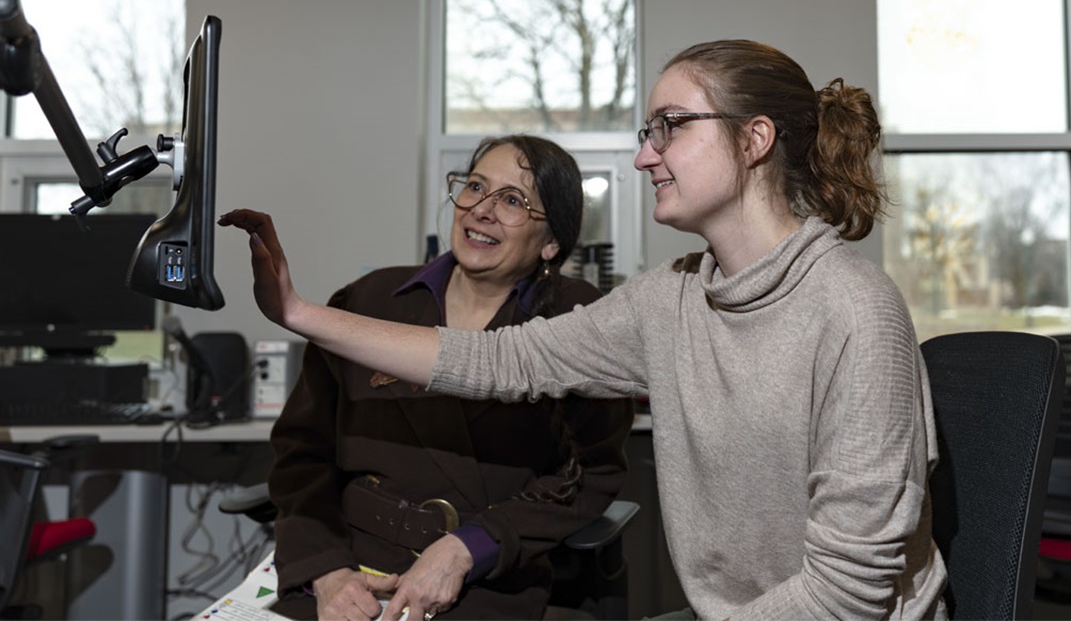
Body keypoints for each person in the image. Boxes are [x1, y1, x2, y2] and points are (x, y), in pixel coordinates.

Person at [223, 39, 949, 620]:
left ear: (755, 138)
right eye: (647, 131)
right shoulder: (671, 298)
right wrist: (297, 313)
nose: (643, 155)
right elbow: (501, 362)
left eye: (670, 127)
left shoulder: (855, 310)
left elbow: (849, 594)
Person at [262, 134, 634, 621]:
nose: (482, 209)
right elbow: (302, 455)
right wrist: (328, 571)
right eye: (475, 187)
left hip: (482, 578)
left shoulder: (577, 320)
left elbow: (590, 474)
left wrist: (468, 549)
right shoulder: (369, 301)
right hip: (348, 565)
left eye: (513, 200)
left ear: (551, 243)